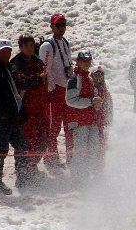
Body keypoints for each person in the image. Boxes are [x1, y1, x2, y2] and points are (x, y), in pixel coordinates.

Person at [0, 39, 32, 194]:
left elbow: (13, 92)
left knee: (21, 146)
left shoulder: (6, 66)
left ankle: (23, 178)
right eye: (3, 51)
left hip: (11, 117)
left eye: (9, 50)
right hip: (1, 119)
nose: (7, 53)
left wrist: (20, 110)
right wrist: (2, 115)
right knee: (1, 149)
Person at [10, 34, 49, 177]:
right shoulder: (16, 63)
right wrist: (37, 78)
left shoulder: (37, 61)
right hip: (26, 110)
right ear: (20, 47)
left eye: (31, 45)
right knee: (27, 142)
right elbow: (20, 83)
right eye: (26, 46)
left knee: (42, 140)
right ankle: (23, 174)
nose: (29, 48)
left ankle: (32, 167)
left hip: (40, 108)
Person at [38, 12, 73, 172]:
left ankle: (70, 157)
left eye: (63, 24)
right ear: (51, 26)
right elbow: (45, 70)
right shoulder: (47, 45)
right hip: (54, 91)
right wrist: (50, 90)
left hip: (66, 89)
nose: (61, 28)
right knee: (53, 127)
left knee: (68, 126)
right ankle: (50, 158)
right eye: (58, 25)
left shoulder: (65, 42)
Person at [65, 50, 103, 183]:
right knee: (80, 151)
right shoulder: (74, 79)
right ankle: (77, 179)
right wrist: (90, 102)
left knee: (92, 150)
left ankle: (86, 176)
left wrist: (96, 102)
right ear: (78, 62)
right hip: (79, 122)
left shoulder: (90, 79)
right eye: (83, 61)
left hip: (91, 121)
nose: (86, 63)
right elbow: (70, 100)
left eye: (88, 61)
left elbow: (94, 97)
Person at [90, 65, 113, 168]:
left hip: (102, 125)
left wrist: (107, 122)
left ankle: (99, 169)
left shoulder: (106, 93)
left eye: (100, 75)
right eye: (96, 75)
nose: (98, 77)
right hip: (90, 124)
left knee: (101, 148)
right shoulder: (88, 89)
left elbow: (109, 110)